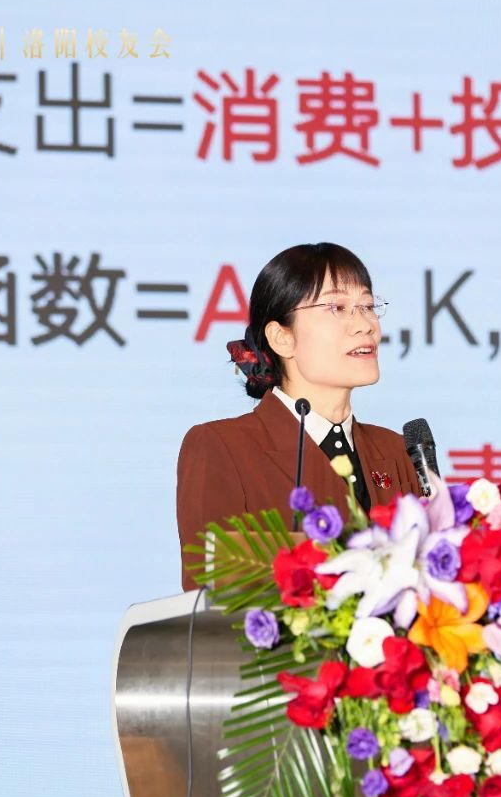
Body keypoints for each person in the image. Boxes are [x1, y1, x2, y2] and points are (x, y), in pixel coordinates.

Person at [175, 242, 422, 591]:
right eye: (337, 307)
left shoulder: (396, 450)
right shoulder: (222, 447)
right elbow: (213, 596)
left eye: (367, 306)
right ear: (282, 337)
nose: (365, 325)